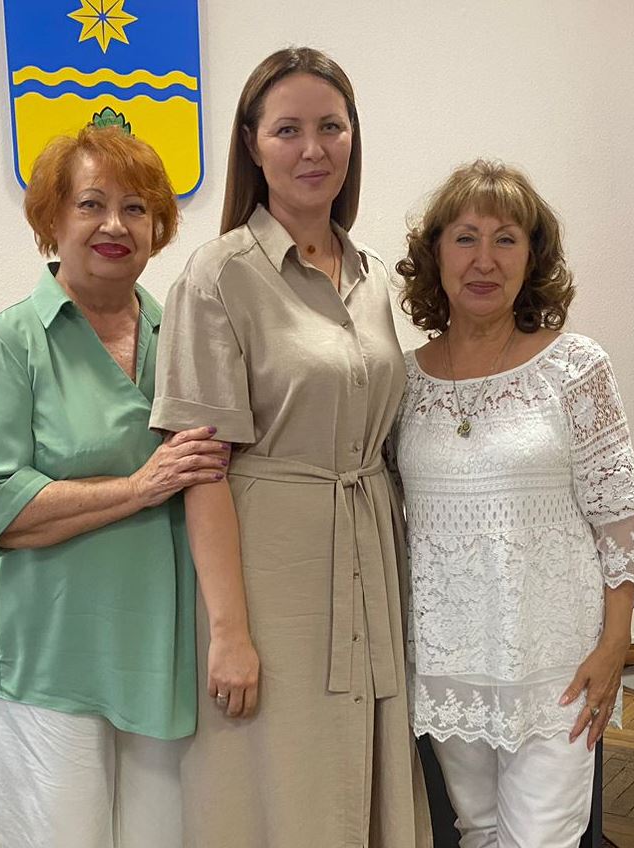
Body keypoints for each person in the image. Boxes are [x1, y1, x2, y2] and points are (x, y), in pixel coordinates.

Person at [150, 47, 432, 848]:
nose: (313, 149)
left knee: (362, 780)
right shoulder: (218, 277)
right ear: (252, 143)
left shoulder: (372, 278)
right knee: (279, 785)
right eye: (288, 130)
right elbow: (202, 471)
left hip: (369, 556)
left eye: (331, 127)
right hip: (274, 576)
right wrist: (229, 632)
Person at [0, 125, 228, 848]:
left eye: (136, 208)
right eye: (91, 204)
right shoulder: (10, 342)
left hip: (165, 654)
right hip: (55, 658)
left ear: (157, 228)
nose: (115, 225)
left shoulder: (185, 339)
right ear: (52, 219)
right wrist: (139, 488)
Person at [392, 159, 634, 848]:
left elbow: (621, 519)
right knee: (477, 831)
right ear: (436, 254)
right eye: (466, 238)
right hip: (448, 661)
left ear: (532, 256)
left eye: (506, 239)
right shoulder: (403, 382)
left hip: (556, 665)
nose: (485, 260)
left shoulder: (576, 368)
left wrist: (616, 645)